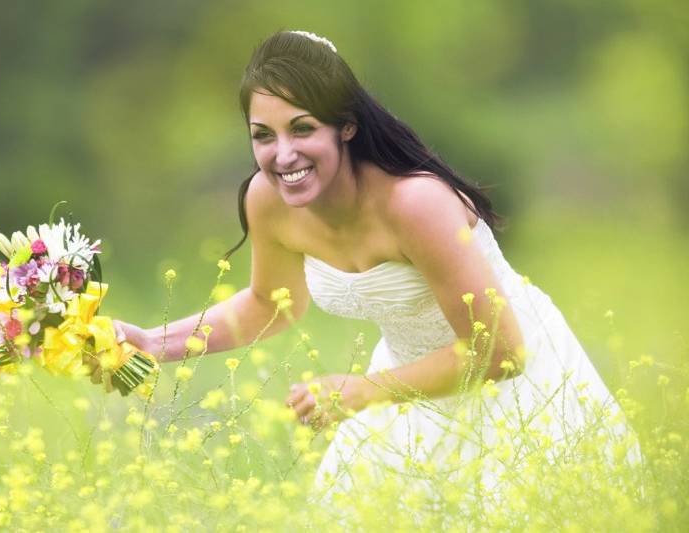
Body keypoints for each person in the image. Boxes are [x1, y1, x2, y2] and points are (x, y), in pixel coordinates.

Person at [109, 30, 639, 501]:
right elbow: (268, 305)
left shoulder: (416, 205)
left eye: (302, 128)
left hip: (510, 386)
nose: (283, 155)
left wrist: (363, 391)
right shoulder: (266, 200)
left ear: (346, 127)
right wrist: (153, 345)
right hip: (405, 389)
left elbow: (500, 351)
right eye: (263, 135)